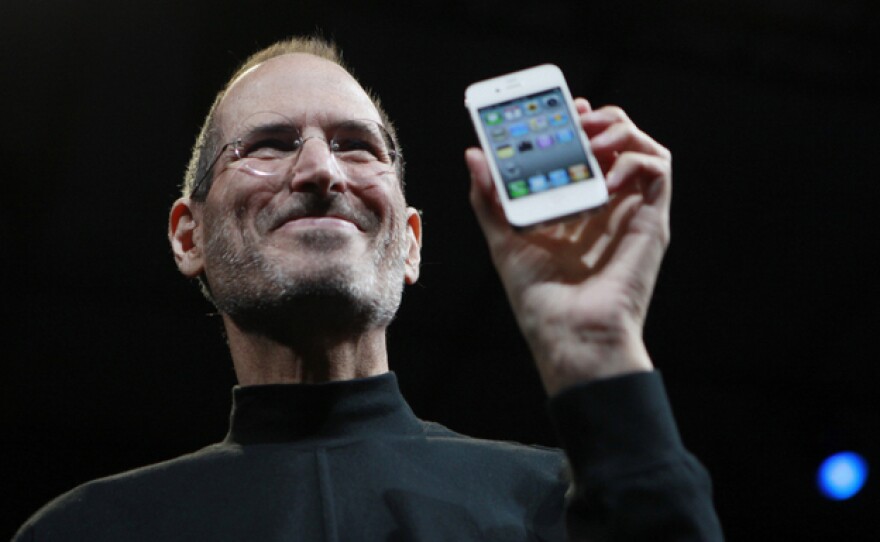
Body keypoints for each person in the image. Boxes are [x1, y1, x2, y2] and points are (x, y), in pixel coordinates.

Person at [14, 36, 723, 541]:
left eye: (358, 145)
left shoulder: (563, 506)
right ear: (188, 236)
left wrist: (599, 352)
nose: (322, 171)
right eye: (268, 144)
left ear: (410, 241)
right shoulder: (90, 529)